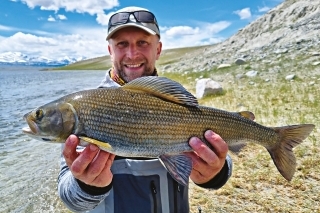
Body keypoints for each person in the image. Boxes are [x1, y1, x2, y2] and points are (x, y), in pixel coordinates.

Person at [58, 6, 232, 213]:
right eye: (122, 44)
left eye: (142, 42)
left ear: (158, 49)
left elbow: (220, 169)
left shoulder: (176, 99)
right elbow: (69, 198)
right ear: (110, 50)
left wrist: (215, 173)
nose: (132, 54)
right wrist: (86, 185)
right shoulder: (86, 109)